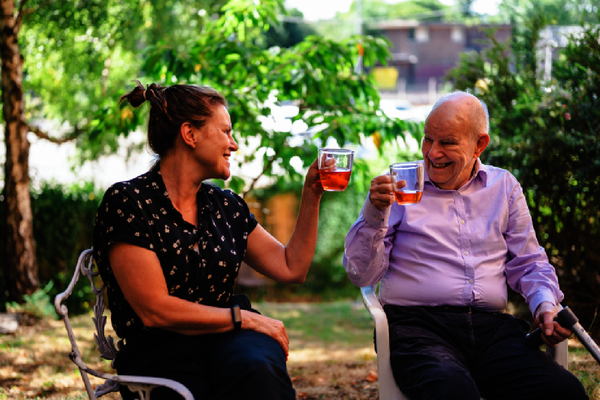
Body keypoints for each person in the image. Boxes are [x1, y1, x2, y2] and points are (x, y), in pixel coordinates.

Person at [343, 91, 588, 400]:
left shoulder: (504, 187)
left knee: (564, 391)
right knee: (452, 391)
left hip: (492, 332)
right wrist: (374, 213)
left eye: (447, 142)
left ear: (479, 145)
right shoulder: (399, 188)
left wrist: (545, 305)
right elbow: (360, 275)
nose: (432, 153)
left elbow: (530, 263)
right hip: (418, 329)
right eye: (428, 139)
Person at [93, 81, 324, 400]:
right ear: (190, 134)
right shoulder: (129, 203)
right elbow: (154, 310)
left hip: (229, 338)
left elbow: (291, 267)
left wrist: (311, 194)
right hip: (160, 349)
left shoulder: (226, 206)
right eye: (226, 132)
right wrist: (244, 319)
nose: (234, 144)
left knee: (258, 371)